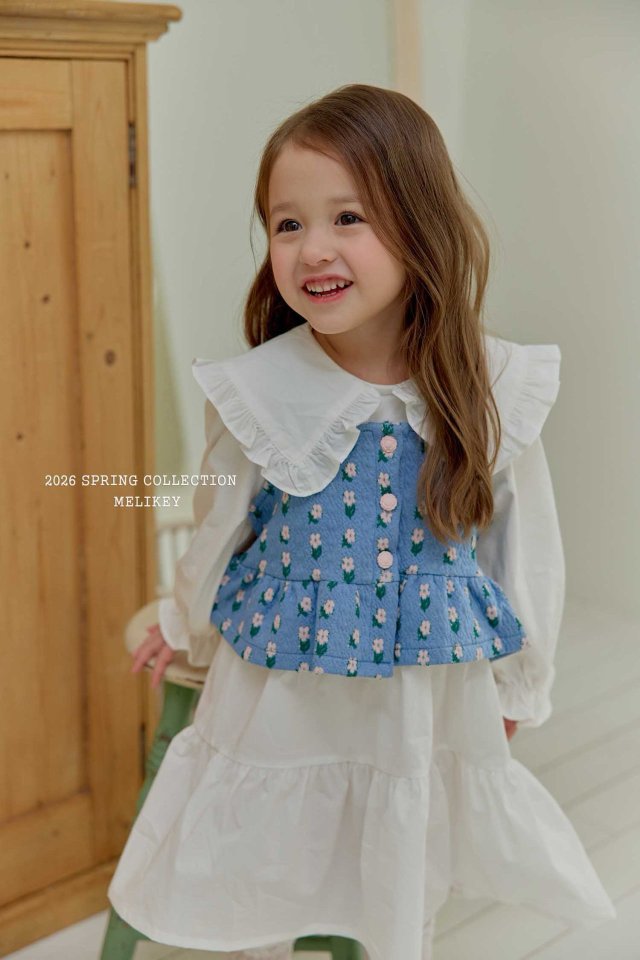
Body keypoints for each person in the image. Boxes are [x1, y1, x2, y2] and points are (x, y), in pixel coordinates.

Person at [107, 83, 616, 960]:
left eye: (349, 217)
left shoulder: (490, 385)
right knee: (270, 860)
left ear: (420, 224)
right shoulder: (260, 390)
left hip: (418, 700)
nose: (313, 248)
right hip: (282, 694)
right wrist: (185, 627)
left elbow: (524, 550)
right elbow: (219, 529)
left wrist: (517, 686)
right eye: (287, 224)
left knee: (393, 863)